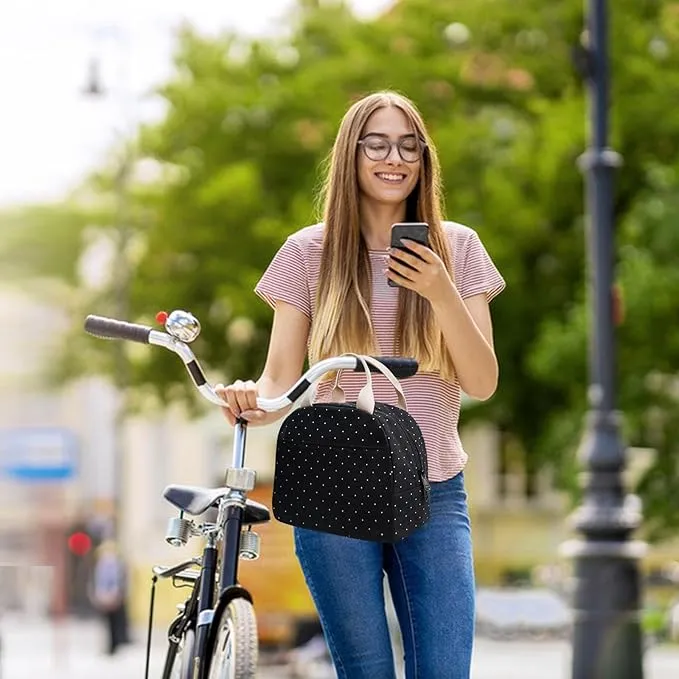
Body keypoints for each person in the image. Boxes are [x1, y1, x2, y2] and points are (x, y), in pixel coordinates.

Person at [216, 90, 505, 679]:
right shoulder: (308, 252)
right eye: (376, 143)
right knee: (366, 671)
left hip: (433, 485)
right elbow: (280, 380)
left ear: (424, 160)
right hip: (334, 485)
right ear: (351, 154)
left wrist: (440, 290)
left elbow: (482, 380)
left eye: (408, 145)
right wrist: (252, 399)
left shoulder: (459, 248)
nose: (393, 157)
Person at [90, 539, 129, 655]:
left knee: (111, 622)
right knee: (111, 622)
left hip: (109, 596)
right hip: (109, 596)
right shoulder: (111, 563)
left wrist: (104, 593)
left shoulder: (109, 564)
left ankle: (114, 645)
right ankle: (113, 644)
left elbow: (110, 581)